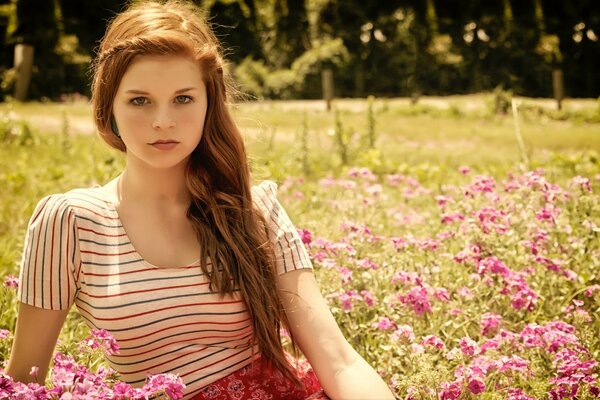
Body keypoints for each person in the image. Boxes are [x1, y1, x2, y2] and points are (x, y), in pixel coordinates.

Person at [5, 1, 395, 399]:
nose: (163, 121)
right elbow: (23, 381)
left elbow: (338, 359)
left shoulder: (254, 210)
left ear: (210, 103)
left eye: (183, 99)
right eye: (139, 100)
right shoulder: (70, 221)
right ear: (109, 109)